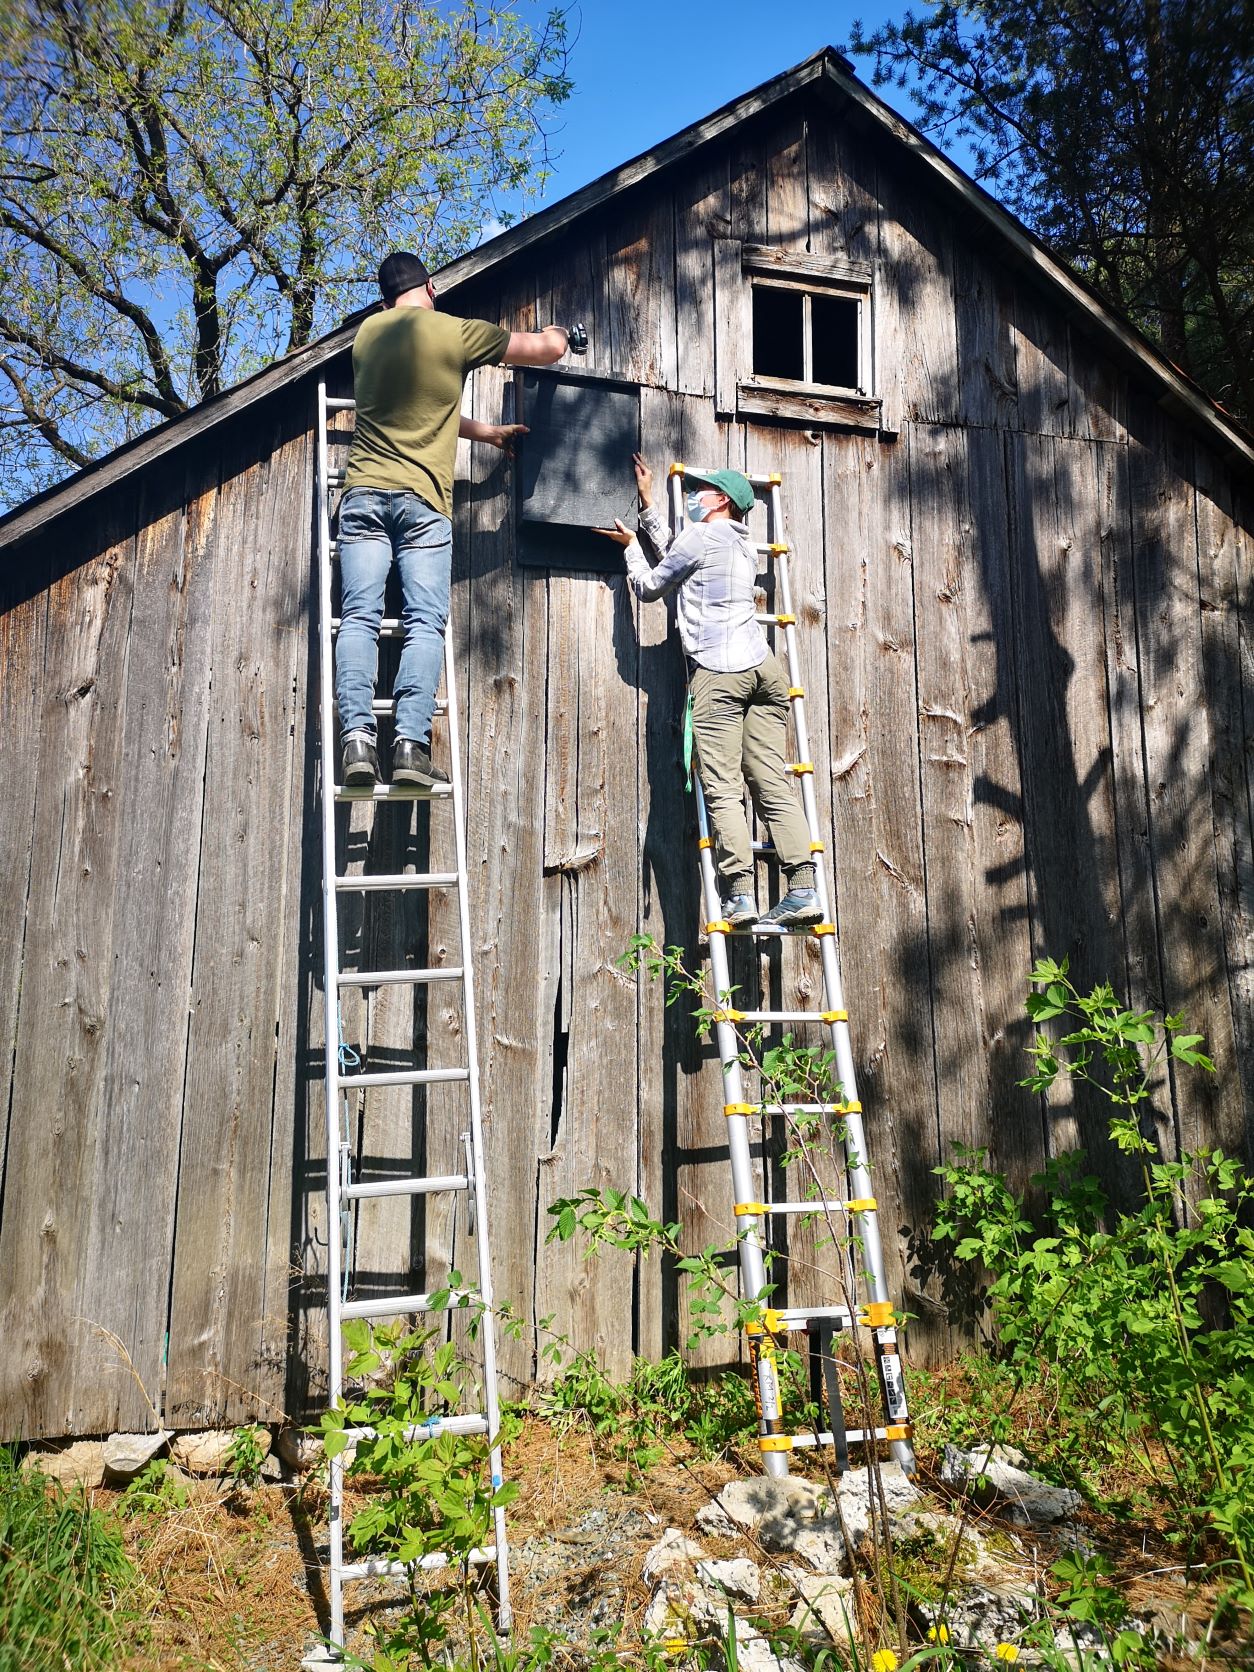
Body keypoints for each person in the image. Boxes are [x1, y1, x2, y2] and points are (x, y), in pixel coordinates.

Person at [336, 250, 582, 787]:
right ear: (431, 288)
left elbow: (428, 407)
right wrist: (560, 333)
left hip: (363, 496)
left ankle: (356, 739)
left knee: (359, 618)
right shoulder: (454, 331)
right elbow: (541, 351)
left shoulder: (368, 337)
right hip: (421, 505)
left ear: (384, 299)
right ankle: (408, 747)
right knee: (424, 623)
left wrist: (488, 432)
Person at [597, 456, 822, 928]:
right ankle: (804, 888)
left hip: (719, 673)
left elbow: (650, 586)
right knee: (771, 781)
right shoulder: (743, 544)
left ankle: (739, 897)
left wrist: (631, 547)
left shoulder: (701, 537)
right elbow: (682, 552)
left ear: (722, 501)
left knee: (722, 788)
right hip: (764, 671)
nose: (697, 495)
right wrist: (648, 504)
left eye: (704, 491)